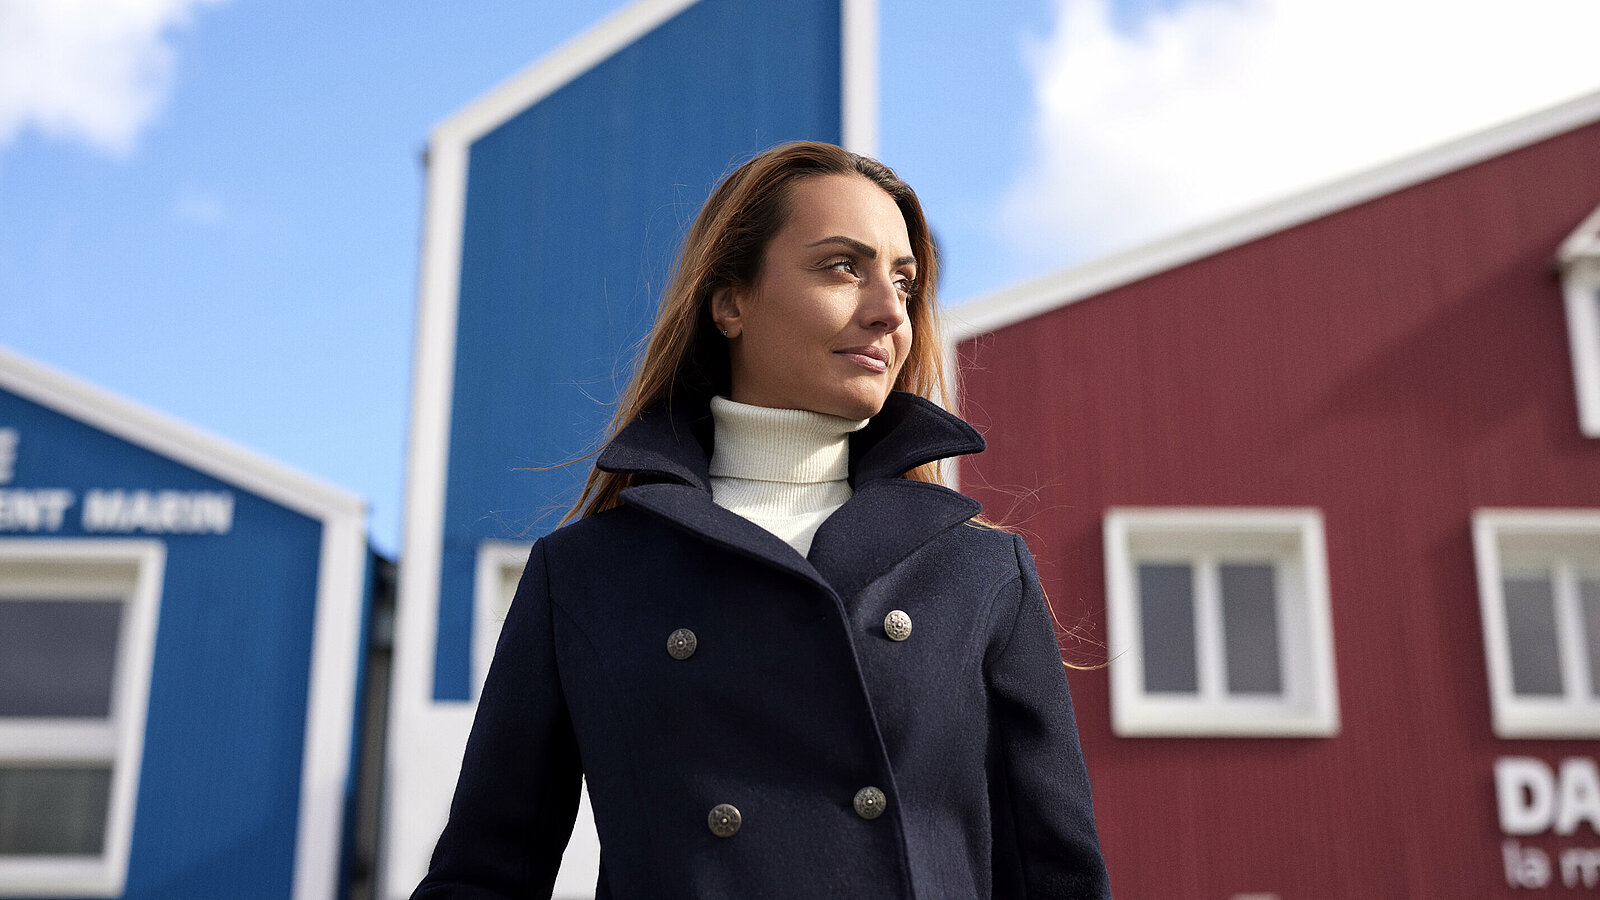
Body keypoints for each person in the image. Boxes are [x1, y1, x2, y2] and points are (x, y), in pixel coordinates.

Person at [413, 141, 1111, 899]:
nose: (889, 311)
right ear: (731, 301)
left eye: (904, 281)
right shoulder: (585, 576)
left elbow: (1058, 879)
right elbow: (484, 876)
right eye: (844, 266)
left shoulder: (979, 574)